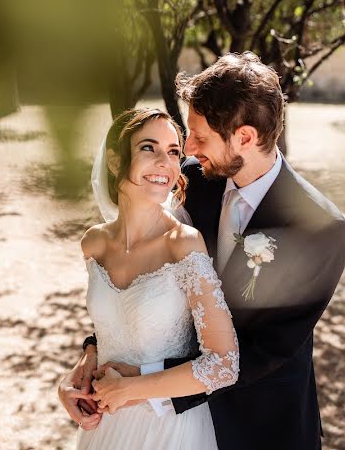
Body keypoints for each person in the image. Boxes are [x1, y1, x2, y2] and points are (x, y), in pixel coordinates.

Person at [59, 53, 345, 450]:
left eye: (199, 136)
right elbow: (147, 278)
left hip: (260, 424)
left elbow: (261, 351)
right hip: (168, 422)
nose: (188, 148)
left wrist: (141, 382)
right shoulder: (194, 181)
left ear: (245, 138)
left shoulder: (320, 229)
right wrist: (95, 350)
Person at [60, 107, 239, 449]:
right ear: (114, 162)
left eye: (173, 152)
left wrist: (132, 389)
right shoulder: (93, 243)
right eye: (148, 148)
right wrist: (72, 379)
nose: (165, 163)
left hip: (168, 430)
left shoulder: (183, 244)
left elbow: (224, 363)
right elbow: (116, 326)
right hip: (104, 427)